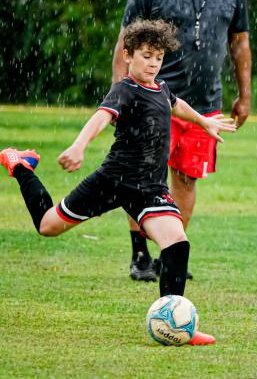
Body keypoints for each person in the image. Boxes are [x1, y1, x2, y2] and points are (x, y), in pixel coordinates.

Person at [0, 19, 236, 345]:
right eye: (146, 56)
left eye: (158, 57)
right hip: (113, 181)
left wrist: (203, 122)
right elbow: (102, 117)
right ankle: (20, 165)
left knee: (177, 243)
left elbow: (175, 104)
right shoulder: (124, 89)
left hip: (150, 189)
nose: (153, 63)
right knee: (47, 226)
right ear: (128, 55)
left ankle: (179, 323)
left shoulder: (161, 88)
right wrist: (79, 146)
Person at [112, 0, 252, 282]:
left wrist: (245, 95)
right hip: (152, 98)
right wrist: (119, 96)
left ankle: (169, 256)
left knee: (186, 180)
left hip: (205, 103)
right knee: (143, 177)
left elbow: (240, 44)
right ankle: (140, 256)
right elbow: (125, 39)